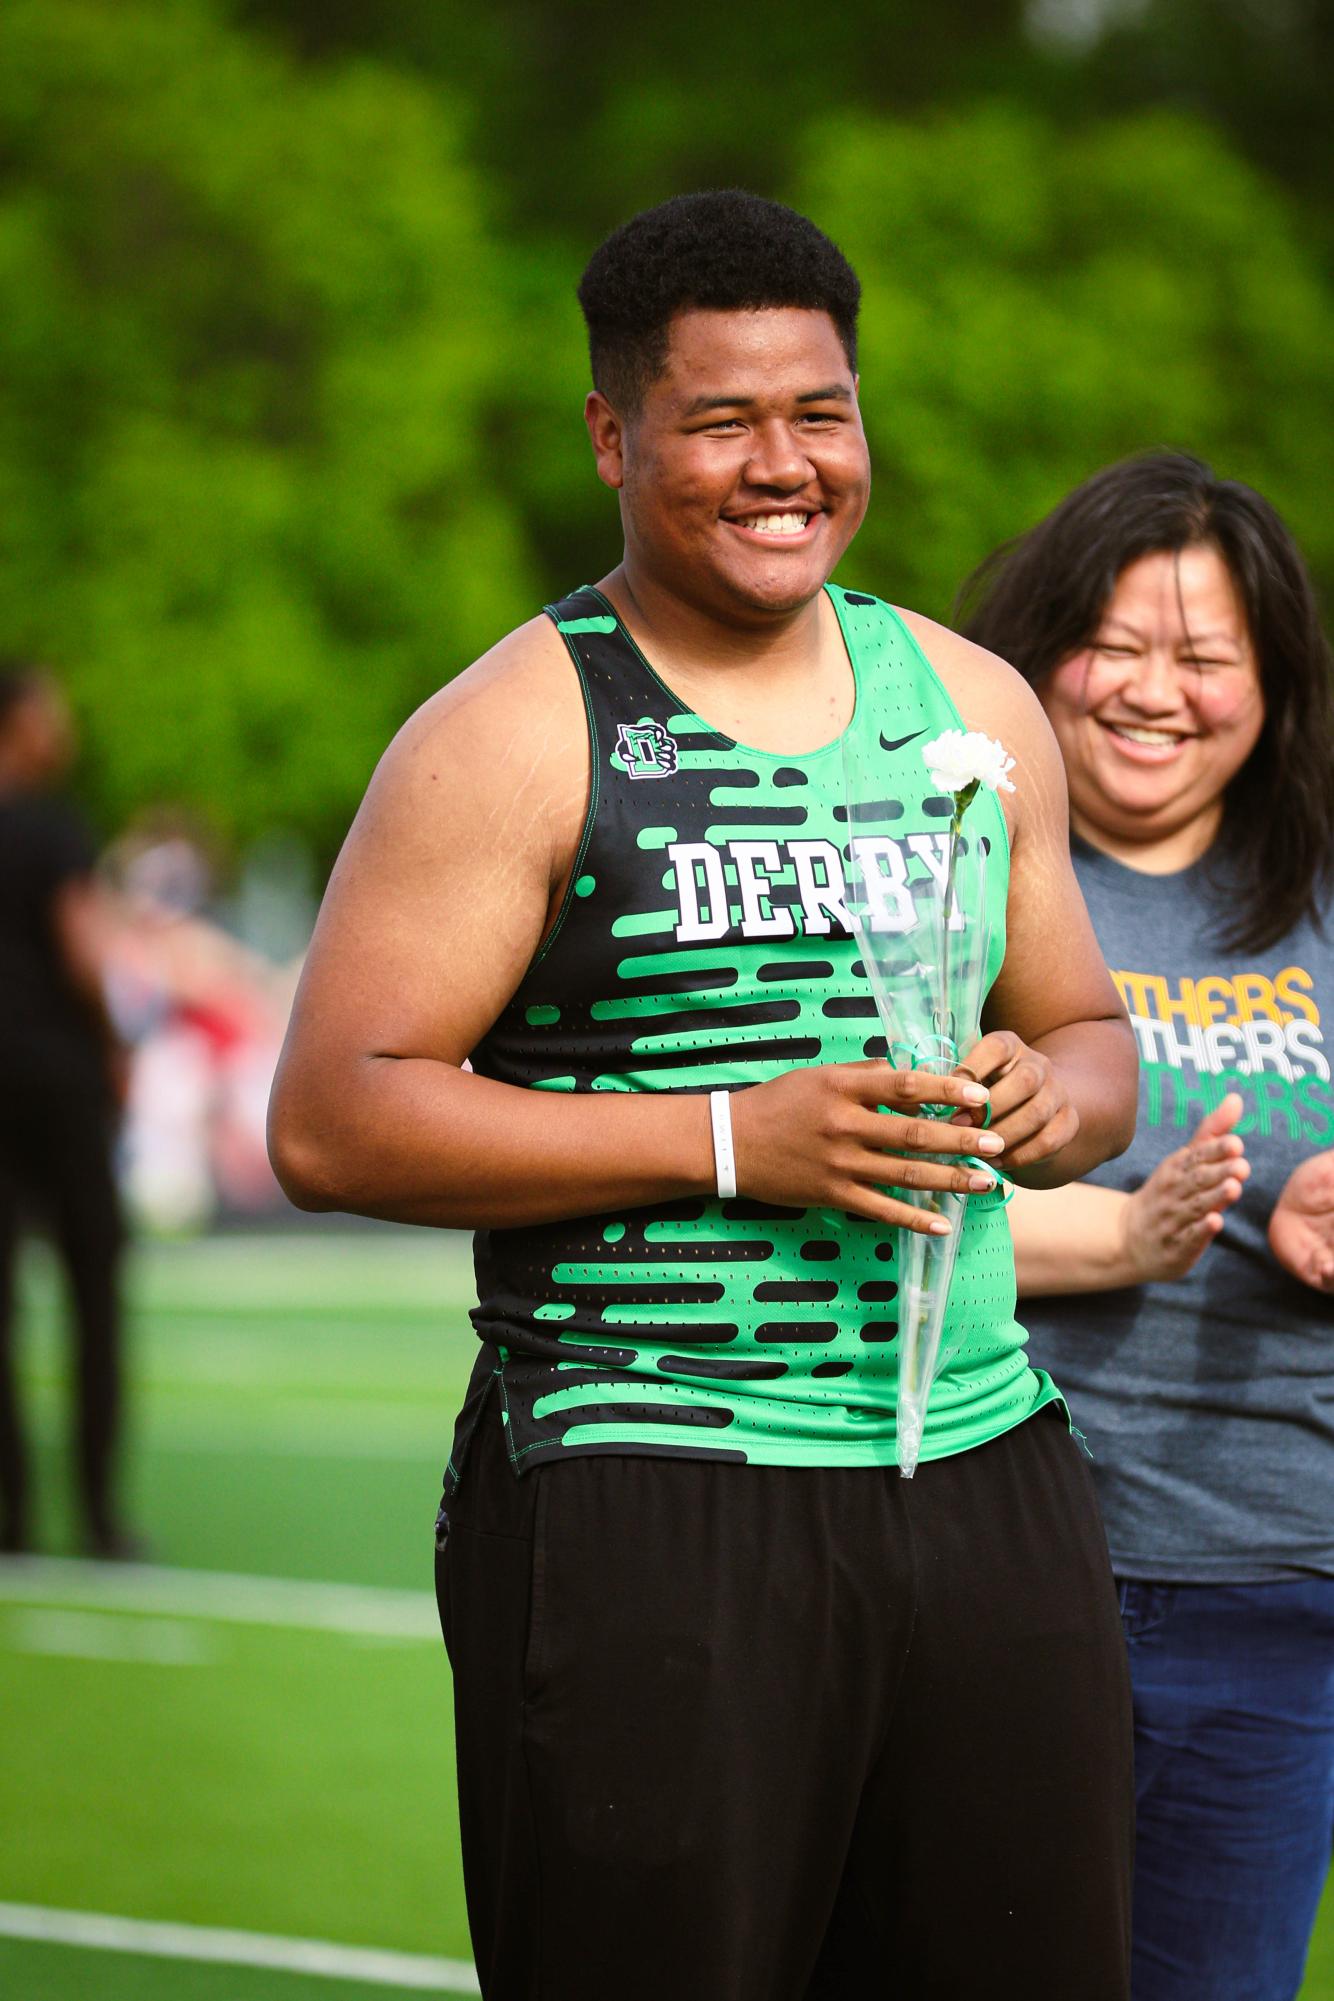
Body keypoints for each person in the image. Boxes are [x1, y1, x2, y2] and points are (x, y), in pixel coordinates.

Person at [269, 191, 1139, 1999]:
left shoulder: (965, 699)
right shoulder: (517, 728)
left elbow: (1086, 1035)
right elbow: (331, 1118)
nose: (782, 466)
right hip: (654, 1478)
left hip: (982, 1462)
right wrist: (741, 1136)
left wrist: (1046, 1099)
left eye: (817, 414)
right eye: (721, 418)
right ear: (612, 435)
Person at [961, 451, 1334, 2001]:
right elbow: (880, 1188)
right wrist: (1122, 1235)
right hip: (1000, 1565)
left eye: (1201, 656)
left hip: (1275, 1581)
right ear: (1039, 648)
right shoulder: (960, 881)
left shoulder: (1316, 896)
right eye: (1112, 644)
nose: (1151, 691)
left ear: (1269, 687)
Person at [0, 666, 135, 1558]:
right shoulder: (52, 824)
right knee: (93, 1290)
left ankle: (12, 1515)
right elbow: (83, 952)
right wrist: (115, 1043)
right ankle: (96, 1512)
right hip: (56, 1080)